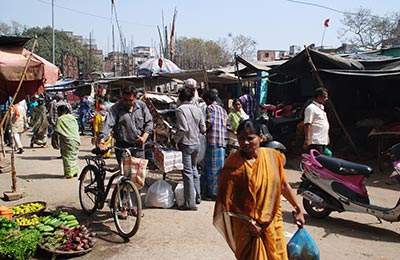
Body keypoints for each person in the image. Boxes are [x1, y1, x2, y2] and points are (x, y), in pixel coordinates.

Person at [213, 119, 305, 260]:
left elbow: (283, 185)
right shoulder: (233, 164)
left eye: (250, 138)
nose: (245, 143)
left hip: (273, 222)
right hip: (247, 228)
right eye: (241, 139)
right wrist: (249, 223)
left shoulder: (273, 157)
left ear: (261, 138)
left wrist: (298, 208)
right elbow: (226, 199)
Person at [97, 85, 153, 163]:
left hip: (138, 148)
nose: (127, 103)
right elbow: (108, 125)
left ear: (135, 98)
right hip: (122, 148)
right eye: (125, 100)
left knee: (138, 173)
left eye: (130, 100)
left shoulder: (142, 106)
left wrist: (144, 137)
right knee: (126, 173)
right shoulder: (115, 109)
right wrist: (101, 141)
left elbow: (149, 122)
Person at [172, 88, 206, 210]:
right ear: (191, 98)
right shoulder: (198, 109)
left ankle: (189, 203)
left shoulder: (180, 110)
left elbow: (183, 128)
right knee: (194, 169)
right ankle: (197, 197)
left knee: (187, 173)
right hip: (196, 143)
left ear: (180, 98)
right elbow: (203, 128)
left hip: (186, 143)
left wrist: (174, 139)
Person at [201, 90, 229, 200]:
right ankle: (208, 190)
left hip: (213, 141)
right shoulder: (223, 110)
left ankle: (213, 193)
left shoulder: (210, 108)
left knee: (212, 169)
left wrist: (202, 131)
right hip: (222, 141)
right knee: (217, 169)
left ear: (208, 100)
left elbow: (209, 122)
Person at [53, 105, 81, 178]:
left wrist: (55, 142)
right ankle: (75, 171)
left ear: (61, 111)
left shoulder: (60, 119)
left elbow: (56, 131)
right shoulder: (72, 117)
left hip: (67, 140)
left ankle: (69, 173)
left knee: (67, 157)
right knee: (74, 156)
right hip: (76, 139)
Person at [303, 87, 330, 154]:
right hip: (315, 141)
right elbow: (307, 124)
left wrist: (327, 137)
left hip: (322, 140)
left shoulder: (321, 108)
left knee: (322, 160)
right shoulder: (311, 108)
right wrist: (307, 139)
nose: (326, 99)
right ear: (318, 97)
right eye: (325, 97)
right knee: (316, 161)